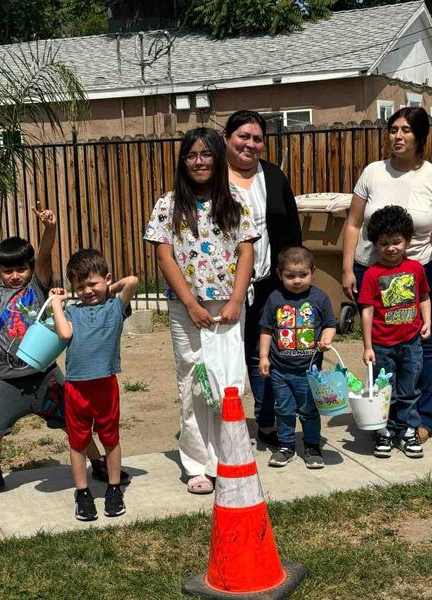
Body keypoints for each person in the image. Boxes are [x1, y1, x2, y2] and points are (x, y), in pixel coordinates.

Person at [0, 207, 124, 502]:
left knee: (76, 425)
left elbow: (46, 254)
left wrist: (50, 229)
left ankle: (99, 462)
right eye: (8, 270)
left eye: (21, 268)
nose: (15, 276)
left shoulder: (38, 286)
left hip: (46, 378)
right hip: (8, 381)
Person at [144, 127, 258, 494]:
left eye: (206, 154)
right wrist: (191, 304)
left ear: (218, 157)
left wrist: (236, 300)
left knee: (227, 382)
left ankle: (228, 457)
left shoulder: (236, 200)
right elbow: (164, 255)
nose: (199, 161)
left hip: (227, 305)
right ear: (183, 160)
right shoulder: (168, 204)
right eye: (191, 155)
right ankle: (197, 465)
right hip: (186, 308)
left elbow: (246, 251)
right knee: (193, 383)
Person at [342, 106, 432, 443]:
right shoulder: (373, 173)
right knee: (381, 347)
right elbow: (352, 223)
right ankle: (383, 420)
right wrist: (349, 268)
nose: (397, 136)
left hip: (420, 272)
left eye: (406, 130)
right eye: (393, 129)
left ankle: (421, 420)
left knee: (424, 346)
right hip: (372, 272)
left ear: (420, 137)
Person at [224, 110, 302, 450]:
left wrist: (293, 276)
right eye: (243, 136)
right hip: (224, 288)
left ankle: (266, 422)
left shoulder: (273, 176)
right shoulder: (212, 180)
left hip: (268, 283)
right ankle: (226, 425)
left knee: (261, 355)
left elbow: (291, 229)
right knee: (227, 356)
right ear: (227, 138)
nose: (250, 144)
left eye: (257, 138)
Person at [48, 249, 138, 521]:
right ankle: (83, 492)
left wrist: (109, 288)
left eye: (92, 283)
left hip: (105, 385)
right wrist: (56, 303)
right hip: (76, 387)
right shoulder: (71, 312)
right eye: (80, 286)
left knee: (110, 439)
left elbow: (132, 281)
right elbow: (64, 333)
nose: (87, 290)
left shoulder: (115, 307)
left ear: (107, 280)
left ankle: (113, 488)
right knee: (78, 442)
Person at [358, 206, 431, 459]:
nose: (391, 248)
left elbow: (423, 296)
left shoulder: (416, 268)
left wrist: (427, 321)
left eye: (397, 242)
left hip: (410, 342)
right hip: (381, 346)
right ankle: (383, 432)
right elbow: (366, 310)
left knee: (409, 387)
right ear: (375, 244)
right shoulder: (371, 274)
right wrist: (367, 346)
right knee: (383, 389)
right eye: (384, 243)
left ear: (407, 240)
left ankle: (407, 430)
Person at [258, 246, 336, 469]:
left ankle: (312, 445)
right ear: (279, 273)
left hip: (308, 371)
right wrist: (264, 356)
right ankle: (286, 446)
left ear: (312, 271)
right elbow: (266, 329)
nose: (297, 280)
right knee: (283, 409)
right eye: (290, 276)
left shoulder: (320, 298)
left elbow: (330, 325)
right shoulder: (275, 298)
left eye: (303, 274)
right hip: (280, 370)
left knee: (309, 410)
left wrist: (326, 340)